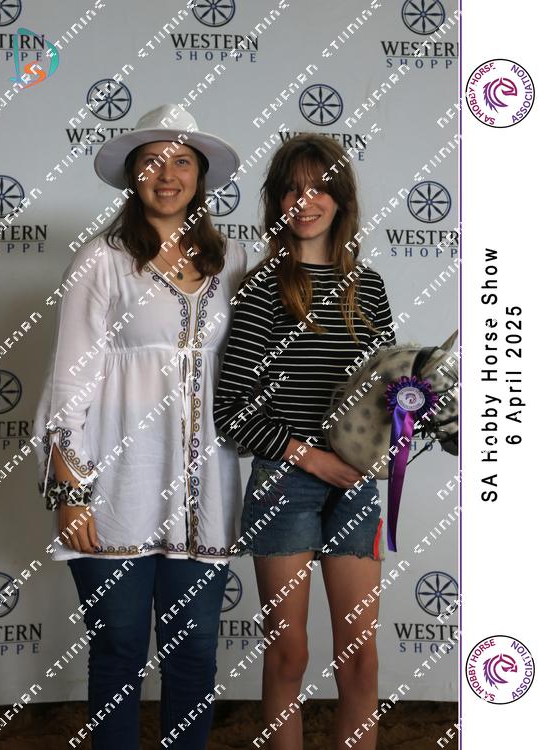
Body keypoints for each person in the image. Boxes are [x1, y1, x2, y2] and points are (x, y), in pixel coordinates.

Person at [34, 104, 246, 750]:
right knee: (119, 648)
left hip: (205, 499)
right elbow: (69, 379)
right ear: (133, 175)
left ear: (200, 176)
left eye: (182, 161)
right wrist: (69, 491)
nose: (167, 175)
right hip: (115, 492)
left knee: (194, 654)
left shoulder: (235, 261)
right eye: (152, 162)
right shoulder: (101, 261)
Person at [213, 133, 395, 750]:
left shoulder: (368, 288)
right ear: (276, 202)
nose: (305, 201)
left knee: (360, 658)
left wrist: (407, 425)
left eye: (319, 188)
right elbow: (232, 411)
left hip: (354, 485)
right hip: (284, 485)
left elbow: (385, 393)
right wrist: (310, 457)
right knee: (288, 654)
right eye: (292, 189)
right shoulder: (263, 288)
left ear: (340, 199)